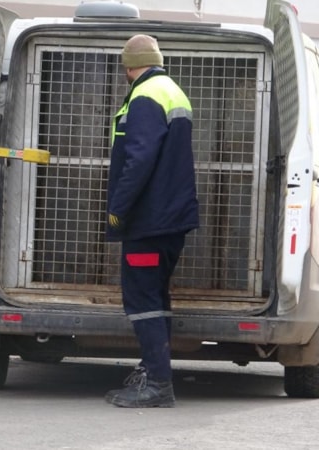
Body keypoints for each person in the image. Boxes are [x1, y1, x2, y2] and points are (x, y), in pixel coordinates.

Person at [103, 34, 199, 408]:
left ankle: (158, 384)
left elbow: (139, 158)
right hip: (170, 220)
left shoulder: (144, 96)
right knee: (156, 297)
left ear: (129, 67)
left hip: (147, 220)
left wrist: (119, 207)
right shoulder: (172, 91)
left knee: (142, 297)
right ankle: (153, 373)